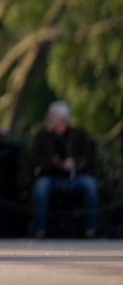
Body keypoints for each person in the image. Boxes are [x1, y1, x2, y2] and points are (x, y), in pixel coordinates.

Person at [30, 101, 98, 239]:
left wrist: (74, 163)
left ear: (62, 119)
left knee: (90, 185)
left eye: (51, 116)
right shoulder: (41, 136)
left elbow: (88, 160)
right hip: (51, 177)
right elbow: (34, 160)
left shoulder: (79, 135)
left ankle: (91, 229)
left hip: (75, 178)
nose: (48, 119)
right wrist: (54, 162)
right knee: (41, 187)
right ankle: (39, 230)